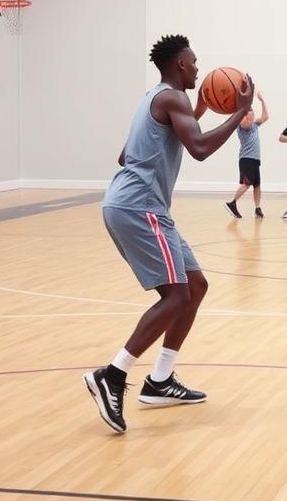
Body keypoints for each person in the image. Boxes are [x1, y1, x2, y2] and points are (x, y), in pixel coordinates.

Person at [84, 35, 253, 434]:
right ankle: (113, 374)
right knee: (176, 295)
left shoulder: (154, 98)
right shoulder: (172, 100)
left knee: (194, 286)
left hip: (137, 205)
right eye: (194, 62)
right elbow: (198, 148)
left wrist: (199, 109)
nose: (198, 68)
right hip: (139, 207)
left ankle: (160, 380)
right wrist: (239, 111)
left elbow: (125, 156)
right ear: (180, 64)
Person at [225, 90, 269, 219]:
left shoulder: (254, 124)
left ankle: (257, 208)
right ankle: (232, 203)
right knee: (247, 183)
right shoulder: (242, 124)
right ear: (245, 113)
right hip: (246, 159)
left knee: (257, 185)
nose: (252, 111)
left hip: (255, 159)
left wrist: (262, 101)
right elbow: (245, 122)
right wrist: (244, 108)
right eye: (250, 110)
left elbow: (265, 117)